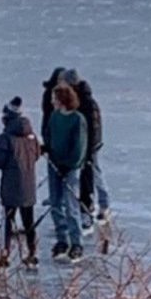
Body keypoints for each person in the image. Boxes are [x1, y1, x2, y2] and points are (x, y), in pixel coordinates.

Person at [0, 99, 41, 267]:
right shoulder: (32, 137)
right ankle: (32, 253)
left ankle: (5, 254)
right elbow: (37, 155)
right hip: (28, 186)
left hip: (10, 187)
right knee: (29, 222)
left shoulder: (5, 138)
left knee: (8, 222)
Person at [40, 82, 87, 261]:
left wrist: (68, 164)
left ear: (63, 99)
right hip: (54, 165)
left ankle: (77, 243)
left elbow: (79, 147)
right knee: (55, 203)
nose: (52, 101)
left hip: (70, 168)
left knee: (70, 204)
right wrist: (45, 149)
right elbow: (49, 136)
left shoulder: (77, 119)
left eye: (54, 98)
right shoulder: (54, 116)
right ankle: (62, 240)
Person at [68, 69, 110, 225]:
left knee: (93, 174)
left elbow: (93, 128)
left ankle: (103, 204)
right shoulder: (78, 100)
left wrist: (89, 147)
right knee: (88, 176)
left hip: (90, 146)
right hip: (84, 145)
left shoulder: (87, 102)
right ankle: (91, 206)